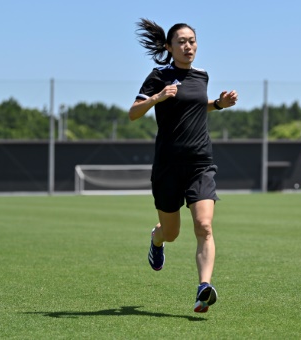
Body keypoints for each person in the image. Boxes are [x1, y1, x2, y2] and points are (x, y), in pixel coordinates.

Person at [128, 18, 238, 313]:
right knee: (172, 232)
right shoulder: (158, 75)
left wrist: (217, 104)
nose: (188, 46)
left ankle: (204, 288)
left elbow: (193, 104)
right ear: (169, 46)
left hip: (200, 162)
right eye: (181, 42)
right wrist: (157, 97)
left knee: (204, 225)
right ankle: (157, 237)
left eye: (192, 41)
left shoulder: (202, 75)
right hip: (168, 165)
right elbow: (133, 113)